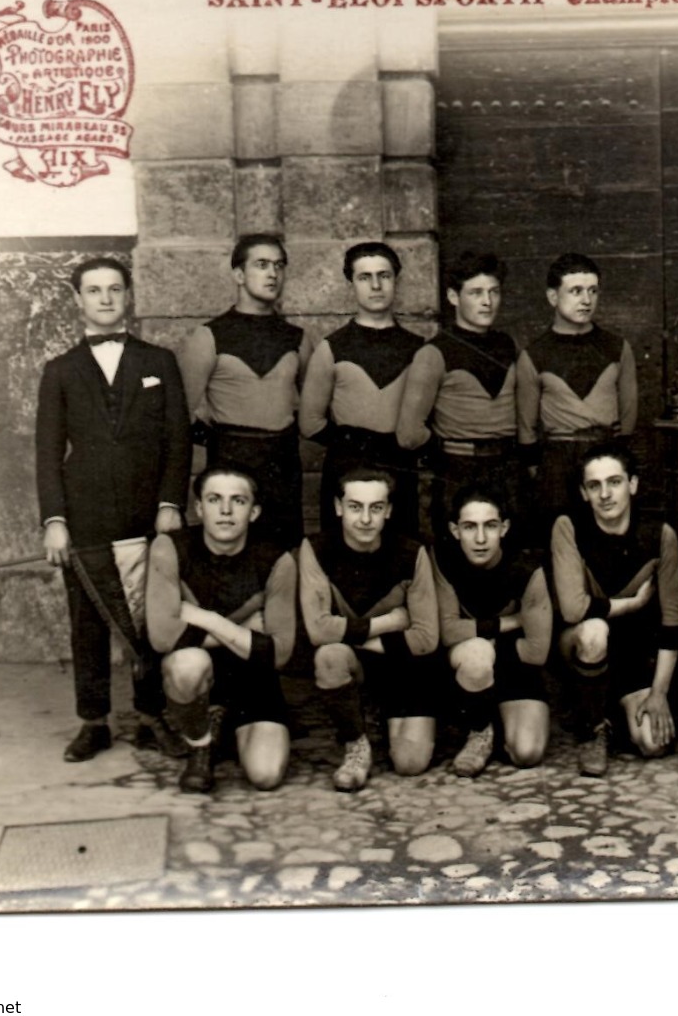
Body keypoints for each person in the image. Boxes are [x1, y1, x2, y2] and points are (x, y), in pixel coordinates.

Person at [36, 256, 192, 762]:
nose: (105, 298)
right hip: (84, 518)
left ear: (129, 296)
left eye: (115, 289)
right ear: (78, 300)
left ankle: (151, 717)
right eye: (94, 290)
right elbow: (47, 452)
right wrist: (55, 521)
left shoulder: (159, 362)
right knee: (88, 622)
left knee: (149, 617)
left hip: (147, 515)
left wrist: (171, 504)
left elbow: (178, 441)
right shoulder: (59, 371)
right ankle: (94, 721)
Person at [146, 464, 296, 793]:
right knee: (187, 664)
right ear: (199, 508)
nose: (225, 511)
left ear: (254, 511)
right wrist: (248, 629)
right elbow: (161, 637)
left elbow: (281, 653)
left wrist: (207, 619)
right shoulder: (170, 547)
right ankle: (200, 743)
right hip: (202, 678)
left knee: (266, 776)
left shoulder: (276, 559)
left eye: (238, 501)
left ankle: (226, 728)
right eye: (214, 499)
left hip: (254, 679)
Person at [298, 465, 440, 791]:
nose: (365, 519)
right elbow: (318, 630)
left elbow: (427, 638)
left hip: (404, 666)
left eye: (375, 508)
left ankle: (383, 715)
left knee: (410, 764)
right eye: (354, 507)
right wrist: (389, 622)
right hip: (358, 662)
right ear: (337, 507)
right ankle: (356, 743)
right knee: (330, 656)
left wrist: (353, 635)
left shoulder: (411, 552)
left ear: (388, 510)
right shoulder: (317, 549)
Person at [550, 441, 678, 777]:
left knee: (653, 744)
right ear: (583, 492)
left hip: (635, 655)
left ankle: (614, 714)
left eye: (614, 482)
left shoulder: (659, 535)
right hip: (582, 646)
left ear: (633, 484)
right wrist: (633, 604)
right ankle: (592, 727)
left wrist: (658, 693)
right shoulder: (569, 528)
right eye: (594, 486)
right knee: (595, 631)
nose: (605, 494)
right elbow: (572, 609)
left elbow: (672, 619)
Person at [178, 234, 314, 549]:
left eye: (279, 266)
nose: (272, 274)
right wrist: (221, 441)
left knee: (284, 558)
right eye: (262, 265)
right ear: (238, 275)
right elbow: (180, 416)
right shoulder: (209, 336)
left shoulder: (298, 338)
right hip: (230, 465)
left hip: (283, 465)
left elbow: (313, 412)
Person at [300, 241, 426, 538]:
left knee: (401, 546)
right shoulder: (332, 347)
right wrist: (354, 442)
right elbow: (310, 423)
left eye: (384, 275)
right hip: (347, 466)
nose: (376, 285)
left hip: (400, 466)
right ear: (351, 285)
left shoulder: (419, 349)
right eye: (364, 277)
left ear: (396, 280)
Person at [396, 252, 522, 534]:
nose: (487, 302)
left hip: (507, 469)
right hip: (458, 470)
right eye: (476, 293)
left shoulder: (507, 345)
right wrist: (449, 452)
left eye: (494, 292)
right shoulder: (434, 352)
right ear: (453, 297)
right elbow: (408, 433)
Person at [433, 483, 554, 777]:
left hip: (516, 669)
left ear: (504, 527)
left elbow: (538, 651)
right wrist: (508, 624)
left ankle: (500, 720)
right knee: (476, 654)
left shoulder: (526, 567)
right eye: (469, 527)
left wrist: (484, 641)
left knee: (527, 753)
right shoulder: (443, 560)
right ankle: (480, 731)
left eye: (490, 525)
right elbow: (447, 631)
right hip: (469, 669)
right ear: (454, 529)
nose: (481, 538)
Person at [516, 253, 638, 529]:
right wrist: (544, 472)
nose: (586, 300)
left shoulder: (617, 348)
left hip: (605, 457)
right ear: (552, 297)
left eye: (593, 291)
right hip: (557, 466)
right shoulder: (534, 354)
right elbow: (526, 428)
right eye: (576, 291)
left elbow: (629, 420)